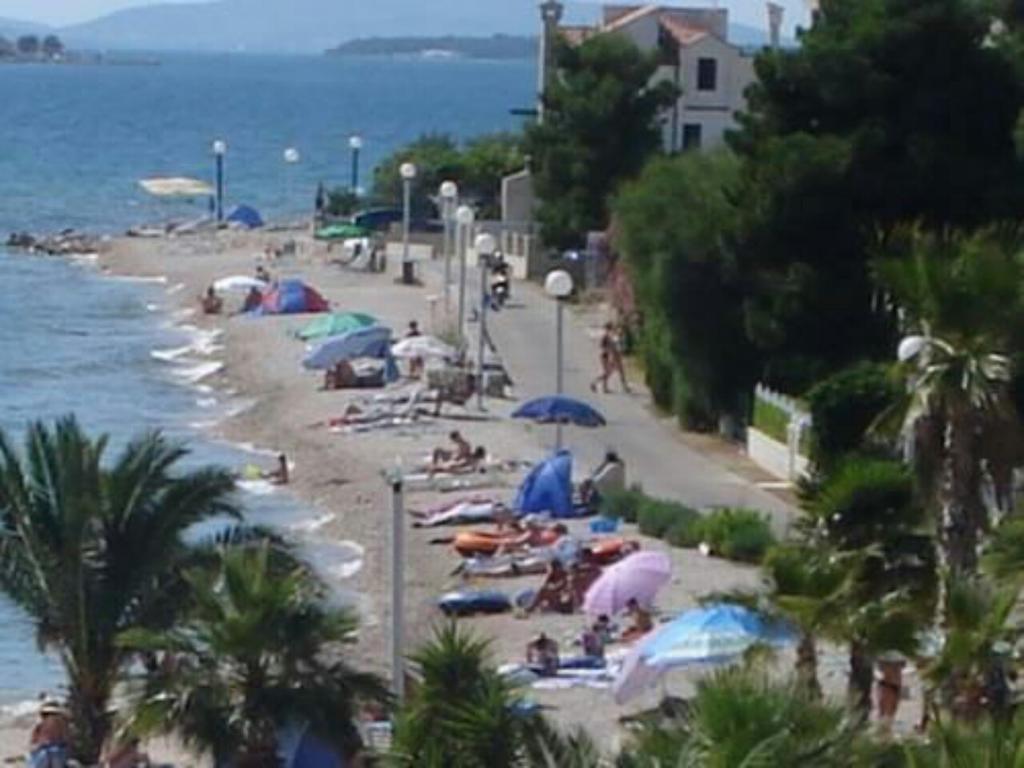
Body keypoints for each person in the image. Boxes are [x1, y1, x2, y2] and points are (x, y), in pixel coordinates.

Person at [590, 322, 631, 394]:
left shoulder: (610, 335)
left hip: (612, 356)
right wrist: (611, 354)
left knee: (616, 372)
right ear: (610, 328)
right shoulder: (608, 336)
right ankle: (595, 383)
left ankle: (604, 387)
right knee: (609, 373)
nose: (614, 328)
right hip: (611, 356)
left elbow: (614, 345)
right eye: (613, 327)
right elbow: (607, 347)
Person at [29, 699, 70, 768]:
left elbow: (33, 741)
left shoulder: (61, 726)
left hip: (51, 753)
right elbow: (32, 746)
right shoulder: (39, 726)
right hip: (49, 753)